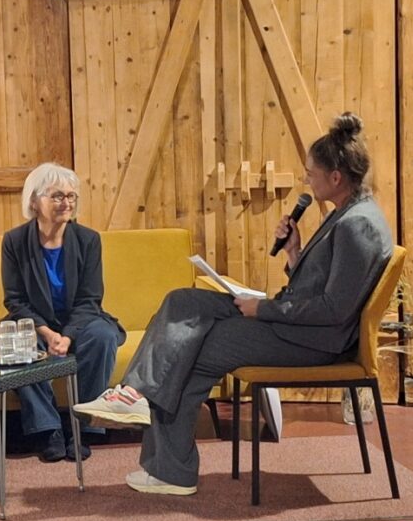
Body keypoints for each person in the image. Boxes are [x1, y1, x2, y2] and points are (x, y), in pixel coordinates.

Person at [73, 113, 392, 496]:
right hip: (295, 325)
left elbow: (334, 310)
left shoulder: (359, 225)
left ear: (335, 177)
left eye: (311, 174)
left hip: (312, 342)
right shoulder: (346, 212)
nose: (308, 180)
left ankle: (169, 466)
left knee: (191, 350)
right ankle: (138, 403)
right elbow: (322, 287)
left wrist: (263, 310)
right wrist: (294, 253)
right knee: (182, 300)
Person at [2, 163, 125, 462]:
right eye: (57, 196)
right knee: (17, 343)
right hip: (34, 322)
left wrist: (66, 336)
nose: (66, 203)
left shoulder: (88, 239)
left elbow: (90, 298)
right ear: (34, 201)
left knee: (103, 336)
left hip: (81, 320)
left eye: (71, 196)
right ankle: (48, 430)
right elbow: (15, 300)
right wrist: (46, 332)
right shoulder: (14, 241)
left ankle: (81, 427)